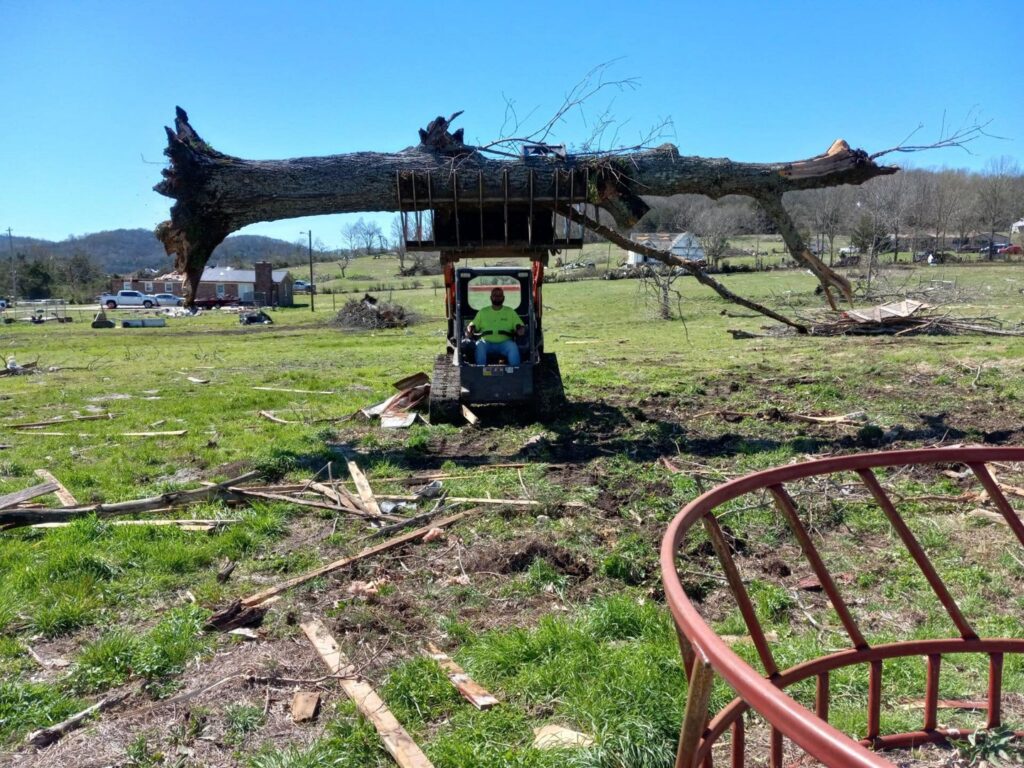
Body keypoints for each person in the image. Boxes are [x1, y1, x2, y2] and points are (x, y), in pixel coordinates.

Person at [467, 286, 524, 365]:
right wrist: (470, 328)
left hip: (505, 343)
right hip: (486, 343)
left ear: (503, 298)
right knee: (479, 345)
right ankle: (479, 371)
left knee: (513, 346)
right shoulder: (483, 312)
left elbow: (519, 324)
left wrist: (520, 329)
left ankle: (516, 372)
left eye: (499, 296)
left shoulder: (510, 312)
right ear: (491, 298)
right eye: (495, 295)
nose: (497, 297)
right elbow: (473, 324)